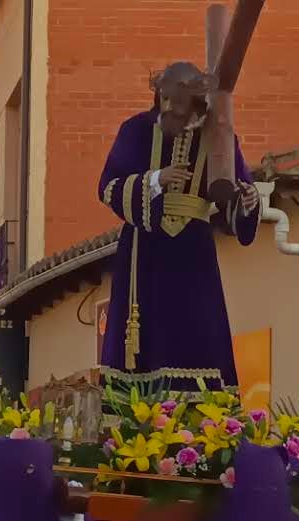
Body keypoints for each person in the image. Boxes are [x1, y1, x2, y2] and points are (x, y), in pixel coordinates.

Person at [97, 61, 260, 391]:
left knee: (199, 332)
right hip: (144, 252)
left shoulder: (219, 137)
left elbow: (236, 187)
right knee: (145, 336)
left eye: (178, 102)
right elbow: (109, 186)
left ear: (196, 102)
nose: (169, 109)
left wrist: (247, 200)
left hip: (194, 254)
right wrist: (156, 179)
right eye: (164, 99)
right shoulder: (137, 130)